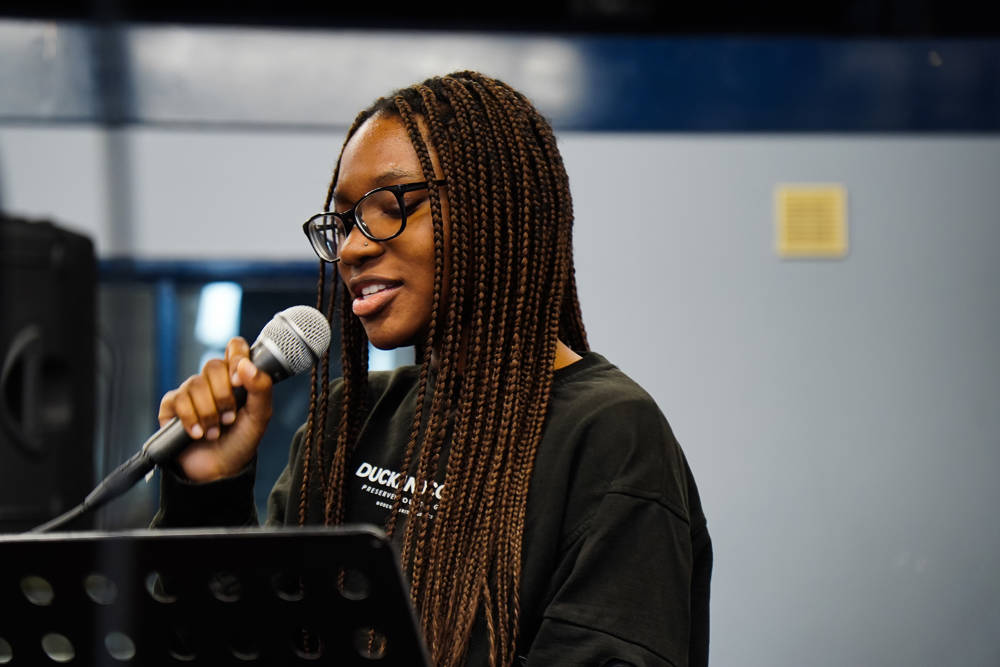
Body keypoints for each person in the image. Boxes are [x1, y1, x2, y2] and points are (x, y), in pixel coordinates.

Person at [152, 70, 712, 667]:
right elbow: (235, 644)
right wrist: (209, 493)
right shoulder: (348, 419)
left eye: (391, 206)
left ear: (497, 209)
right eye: (343, 222)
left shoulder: (610, 432)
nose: (352, 247)